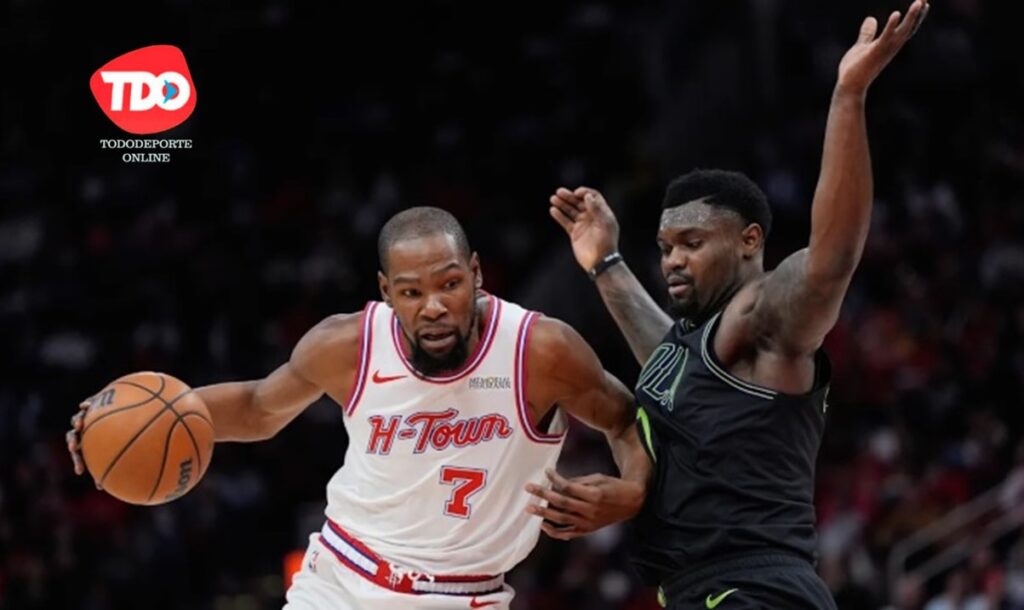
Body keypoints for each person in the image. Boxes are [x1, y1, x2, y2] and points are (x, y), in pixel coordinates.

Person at [531, 2, 930, 608]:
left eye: (692, 243)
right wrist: (606, 263)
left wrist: (848, 97)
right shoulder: (699, 348)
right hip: (706, 590)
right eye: (665, 247)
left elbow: (831, 261)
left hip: (756, 588)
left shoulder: (762, 317)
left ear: (749, 241)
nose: (672, 260)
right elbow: (665, 357)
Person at [66, 207, 650, 609]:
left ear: (475, 274)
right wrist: (130, 419)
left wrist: (633, 492)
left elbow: (626, 419)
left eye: (449, 284)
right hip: (339, 581)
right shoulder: (347, 345)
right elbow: (259, 406)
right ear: (386, 291)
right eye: (412, 292)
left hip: (464, 594)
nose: (433, 306)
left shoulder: (539, 351)